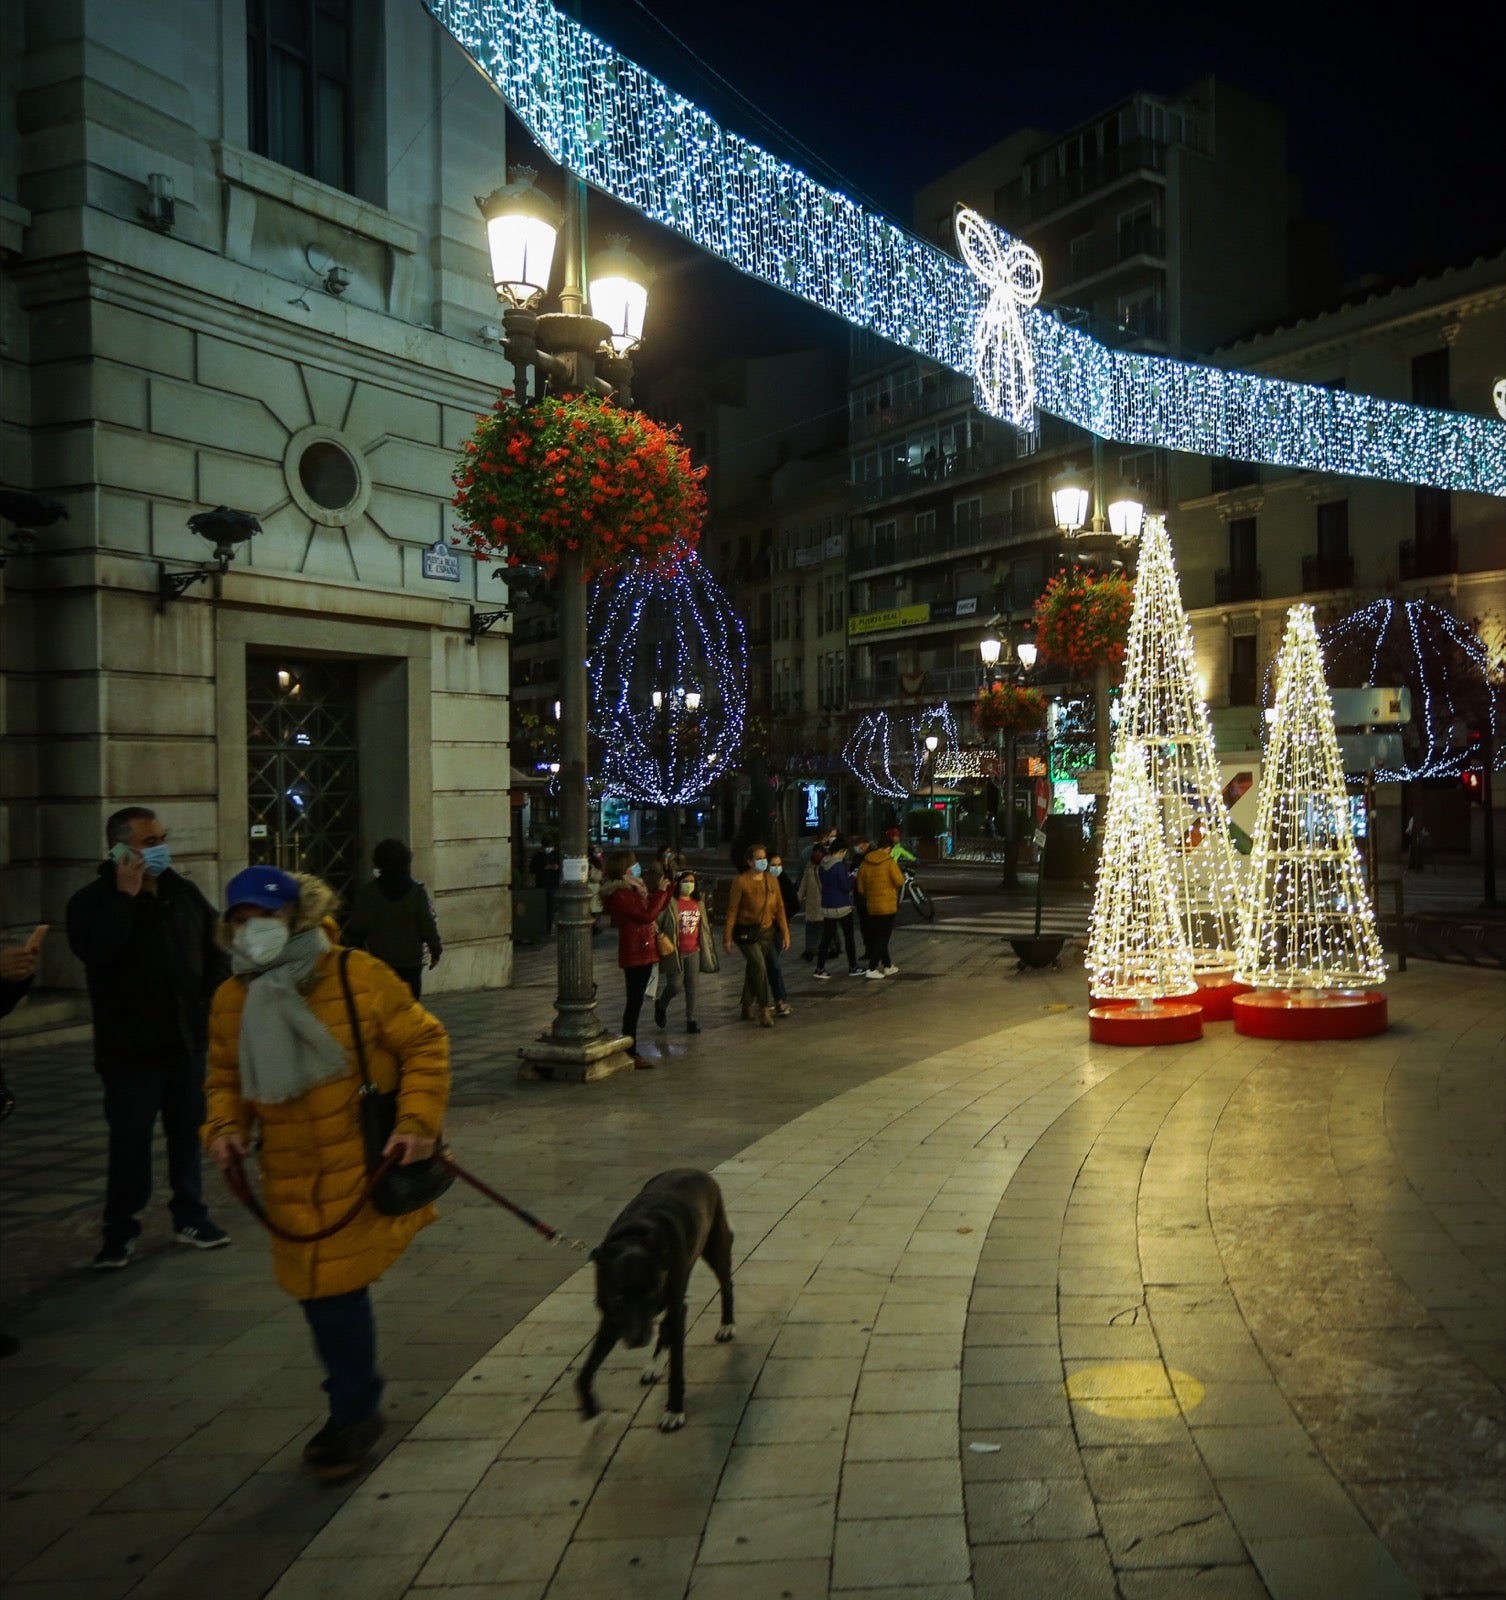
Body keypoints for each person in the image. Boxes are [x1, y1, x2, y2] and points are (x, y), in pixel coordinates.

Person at [203, 866, 449, 1482]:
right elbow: (225, 1080)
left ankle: (353, 1413)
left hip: (356, 1161)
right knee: (318, 1296)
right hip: (287, 1174)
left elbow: (425, 1043)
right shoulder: (233, 997)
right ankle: (352, 1399)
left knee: (335, 1296)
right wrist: (224, 1130)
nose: (254, 930)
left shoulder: (355, 975)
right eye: (241, 920)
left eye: (267, 917)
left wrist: (417, 1123)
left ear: (297, 918)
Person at [66, 806, 231, 1269]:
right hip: (130, 1048)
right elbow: (98, 951)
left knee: (186, 1133)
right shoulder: (92, 901)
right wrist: (125, 896)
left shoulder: (183, 892)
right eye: (147, 842)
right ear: (118, 848)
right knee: (130, 1143)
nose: (158, 848)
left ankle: (191, 1215)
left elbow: (217, 944)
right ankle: (120, 1229)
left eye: (161, 838)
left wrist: (207, 1000)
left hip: (185, 1042)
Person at [342, 839, 442, 999]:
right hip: (411, 964)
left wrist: (357, 954)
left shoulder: (369, 893)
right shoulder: (416, 893)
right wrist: (436, 951)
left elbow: (358, 929)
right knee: (410, 1009)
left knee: (384, 1010)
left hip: (380, 962)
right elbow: (427, 926)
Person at [600, 849, 670, 1067]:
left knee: (637, 1000)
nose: (638, 866)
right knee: (634, 1001)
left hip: (645, 949)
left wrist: (666, 888)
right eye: (633, 864)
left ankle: (631, 1045)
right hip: (635, 952)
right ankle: (630, 1047)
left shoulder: (635, 889)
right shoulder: (620, 894)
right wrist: (658, 893)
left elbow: (655, 907)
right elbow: (647, 915)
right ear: (624, 869)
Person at [722, 843, 788, 1028]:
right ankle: (764, 1008)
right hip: (746, 933)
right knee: (759, 965)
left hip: (767, 931)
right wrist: (727, 937)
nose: (763, 861)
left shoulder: (771, 880)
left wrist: (785, 932)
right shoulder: (741, 881)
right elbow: (732, 910)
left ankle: (746, 1005)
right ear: (750, 861)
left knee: (754, 967)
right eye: (758, 858)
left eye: (764, 858)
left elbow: (780, 907)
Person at [654, 866, 710, 1034]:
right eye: (685, 881)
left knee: (692, 986)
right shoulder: (671, 902)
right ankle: (661, 1004)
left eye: (692, 881)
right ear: (678, 883)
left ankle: (691, 1019)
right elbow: (657, 921)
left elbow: (704, 926)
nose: (689, 884)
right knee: (675, 985)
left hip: (694, 949)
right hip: (675, 951)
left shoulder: (698, 902)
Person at [857, 834, 905, 978]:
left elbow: (860, 886)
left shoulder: (866, 861)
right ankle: (872, 968)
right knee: (883, 937)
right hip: (887, 905)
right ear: (888, 848)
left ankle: (888, 965)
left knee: (878, 935)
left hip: (872, 905)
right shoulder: (889, 862)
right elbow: (899, 881)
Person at [814, 838, 863, 979]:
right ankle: (853, 966)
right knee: (849, 937)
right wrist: (853, 877)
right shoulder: (839, 866)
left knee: (826, 937)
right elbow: (845, 886)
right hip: (842, 905)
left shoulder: (823, 864)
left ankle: (820, 967)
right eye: (845, 852)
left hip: (828, 904)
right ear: (841, 851)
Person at [797, 845, 826, 962]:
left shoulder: (825, 866)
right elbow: (804, 883)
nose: (817, 855)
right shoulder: (809, 866)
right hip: (811, 902)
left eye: (820, 853)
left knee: (821, 927)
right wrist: (798, 897)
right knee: (810, 927)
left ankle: (822, 948)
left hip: (823, 902)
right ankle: (810, 949)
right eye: (816, 853)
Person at [529, 835, 563, 932]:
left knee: (551, 907)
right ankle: (543, 927)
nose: (549, 848)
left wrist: (556, 867)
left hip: (553, 884)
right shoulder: (538, 856)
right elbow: (532, 869)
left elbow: (561, 867)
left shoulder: (556, 855)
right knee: (542, 907)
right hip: (542, 884)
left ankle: (548, 927)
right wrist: (544, 867)